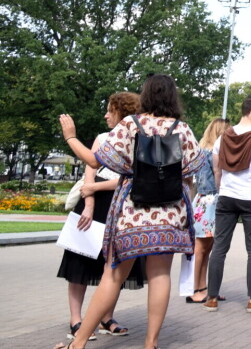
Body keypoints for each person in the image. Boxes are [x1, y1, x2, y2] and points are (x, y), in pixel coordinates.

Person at [56, 73, 206, 349]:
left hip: (132, 212)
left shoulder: (130, 124)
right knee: (160, 275)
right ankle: (151, 343)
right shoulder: (182, 129)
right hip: (170, 214)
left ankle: (78, 343)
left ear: (146, 95)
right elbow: (190, 173)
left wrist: (71, 137)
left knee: (113, 274)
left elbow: (95, 160)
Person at [57, 92, 146, 341]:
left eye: (110, 110)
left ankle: (107, 318)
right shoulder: (102, 138)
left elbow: (132, 180)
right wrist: (88, 203)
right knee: (79, 261)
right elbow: (90, 171)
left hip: (120, 207)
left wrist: (94, 187)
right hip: (95, 205)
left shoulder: (140, 141)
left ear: (122, 112)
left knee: (114, 265)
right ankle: (76, 320)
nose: (106, 115)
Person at [205, 96, 251, 313]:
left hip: (227, 197)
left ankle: (211, 298)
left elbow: (217, 170)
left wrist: (222, 189)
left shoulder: (223, 137)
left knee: (219, 248)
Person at [186, 117, 228, 305]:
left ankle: (203, 288)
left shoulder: (202, 152)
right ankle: (195, 289)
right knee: (201, 249)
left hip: (204, 201)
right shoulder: (212, 153)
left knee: (205, 249)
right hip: (211, 201)